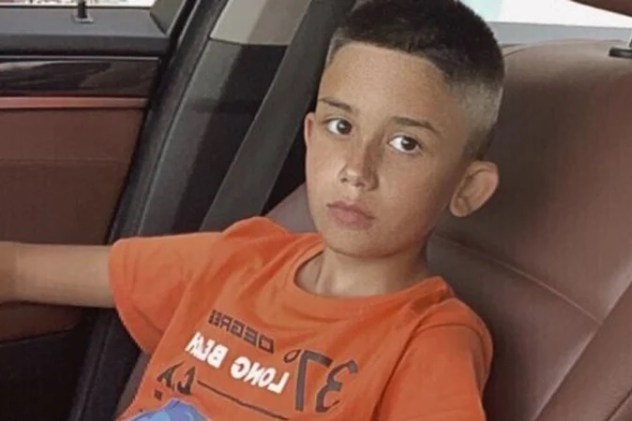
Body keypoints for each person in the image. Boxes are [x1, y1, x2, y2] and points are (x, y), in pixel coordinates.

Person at [0, 0, 505, 419]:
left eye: (405, 143)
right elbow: (19, 268)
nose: (357, 169)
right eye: (341, 127)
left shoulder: (428, 341)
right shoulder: (239, 260)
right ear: (310, 135)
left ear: (468, 188)